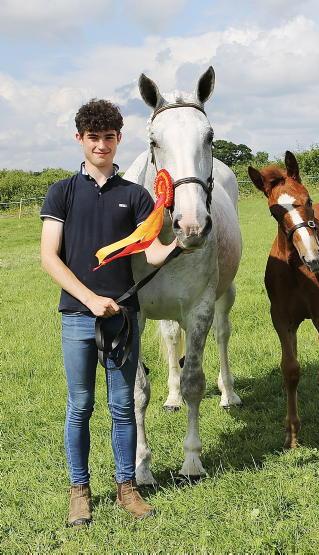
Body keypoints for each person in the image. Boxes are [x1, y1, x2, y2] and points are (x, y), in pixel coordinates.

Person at [40, 99, 178, 526]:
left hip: (122, 317)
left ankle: (127, 489)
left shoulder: (135, 196)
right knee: (80, 406)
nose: (101, 145)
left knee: (122, 406)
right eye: (93, 137)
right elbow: (49, 257)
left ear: (119, 139)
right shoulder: (61, 192)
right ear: (80, 139)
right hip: (77, 316)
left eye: (109, 137)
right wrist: (89, 299)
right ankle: (79, 491)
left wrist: (180, 242)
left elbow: (152, 253)